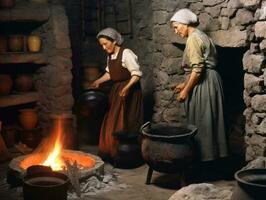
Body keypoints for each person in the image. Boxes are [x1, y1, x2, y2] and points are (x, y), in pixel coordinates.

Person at [170, 9, 228, 162]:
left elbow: (198, 68)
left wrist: (186, 91)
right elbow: (200, 66)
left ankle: (205, 162)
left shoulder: (193, 39)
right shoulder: (201, 35)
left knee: (203, 123)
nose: (176, 31)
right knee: (210, 121)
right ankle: (213, 160)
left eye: (176, 27)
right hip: (211, 80)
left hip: (205, 83)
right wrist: (184, 83)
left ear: (185, 24)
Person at [90, 27, 143, 160]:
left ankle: (125, 155)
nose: (103, 47)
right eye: (101, 45)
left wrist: (127, 88)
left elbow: (136, 74)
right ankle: (111, 152)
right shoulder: (110, 56)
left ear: (114, 41)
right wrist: (98, 81)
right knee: (111, 119)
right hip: (117, 91)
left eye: (105, 44)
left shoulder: (127, 53)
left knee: (126, 121)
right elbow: (110, 74)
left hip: (130, 91)